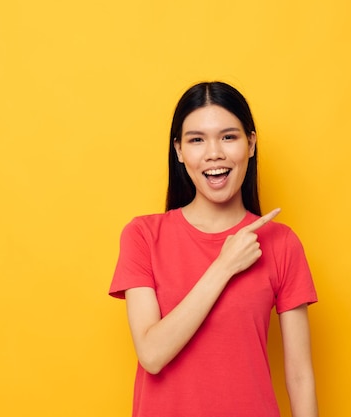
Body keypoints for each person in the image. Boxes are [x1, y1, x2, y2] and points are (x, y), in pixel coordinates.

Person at [109, 81, 318, 417]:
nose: (214, 153)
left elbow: (299, 375)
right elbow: (151, 354)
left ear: (250, 144)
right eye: (196, 140)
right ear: (178, 151)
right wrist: (224, 265)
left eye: (228, 137)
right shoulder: (143, 236)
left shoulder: (281, 243)